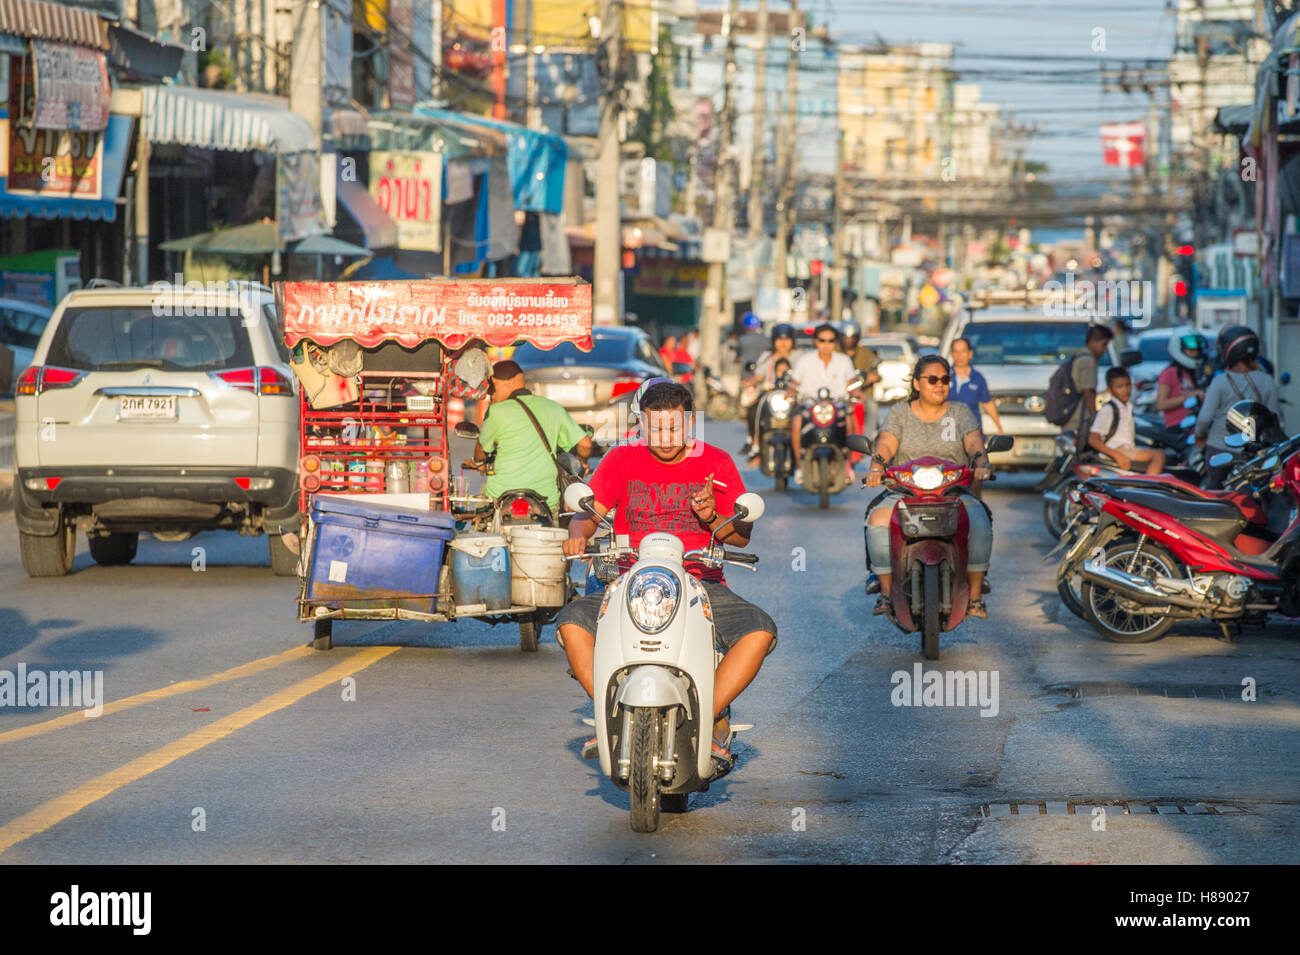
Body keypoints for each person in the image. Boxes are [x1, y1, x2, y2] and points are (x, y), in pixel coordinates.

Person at [557, 381, 777, 768]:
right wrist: (577, 536)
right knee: (571, 623)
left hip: (701, 580)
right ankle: (612, 712)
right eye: (655, 428)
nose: (664, 437)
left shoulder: (717, 463)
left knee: (759, 632)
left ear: (690, 421)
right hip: (629, 581)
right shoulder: (622, 459)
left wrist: (711, 516)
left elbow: (740, 537)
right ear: (642, 424)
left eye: (674, 427)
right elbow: (588, 514)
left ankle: (708, 712)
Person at [864, 355, 994, 619]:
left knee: (980, 519)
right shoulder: (900, 412)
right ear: (917, 383)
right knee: (877, 521)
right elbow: (887, 442)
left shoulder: (960, 411)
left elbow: (973, 442)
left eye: (945, 379)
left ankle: (976, 596)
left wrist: (982, 462)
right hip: (904, 491)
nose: (940, 385)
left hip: (951, 492)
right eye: (932, 379)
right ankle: (886, 592)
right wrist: (877, 466)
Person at [471, 360, 592, 517]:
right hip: (545, 498)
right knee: (553, 539)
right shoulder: (553, 408)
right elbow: (585, 443)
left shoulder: (495, 411)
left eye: (493, 387)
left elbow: (481, 449)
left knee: (482, 521)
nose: (490, 393)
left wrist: (479, 462)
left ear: (511, 383)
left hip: (501, 496)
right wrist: (582, 462)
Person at [1195, 326, 1284, 489]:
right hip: (1254, 453)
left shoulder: (1220, 381)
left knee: (1214, 493)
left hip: (1219, 448)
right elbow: (1275, 418)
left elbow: (1204, 418)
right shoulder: (1267, 381)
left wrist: (1199, 434)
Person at [788, 323, 862, 482]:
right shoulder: (805, 360)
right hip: (809, 405)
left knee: (849, 421)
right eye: (822, 340)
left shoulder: (843, 360)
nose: (826, 345)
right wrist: (789, 394)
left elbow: (852, 383)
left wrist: (856, 393)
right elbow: (793, 383)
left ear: (835, 342)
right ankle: (799, 467)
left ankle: (848, 465)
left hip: (837, 405)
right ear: (815, 341)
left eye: (830, 341)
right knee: (796, 421)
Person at [1088, 367, 1165, 474]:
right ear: (1109, 390)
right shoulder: (1108, 410)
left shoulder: (1127, 407)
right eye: (1119, 387)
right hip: (1117, 450)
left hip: (1126, 449)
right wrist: (1116, 455)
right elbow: (1093, 439)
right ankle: (1149, 488)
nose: (1125, 390)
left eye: (1128, 385)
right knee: (1158, 455)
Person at [740, 323, 797, 461]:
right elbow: (758, 376)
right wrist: (749, 383)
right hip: (770, 394)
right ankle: (755, 446)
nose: (783, 343)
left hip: (794, 395)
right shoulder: (767, 356)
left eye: (787, 339)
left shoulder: (799, 356)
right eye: (779, 339)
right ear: (774, 341)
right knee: (755, 409)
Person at [1063, 324, 1115, 441]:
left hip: (1070, 419)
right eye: (1104, 344)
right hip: (1079, 421)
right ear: (1093, 341)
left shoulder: (1079, 357)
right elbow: (1089, 393)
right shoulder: (1089, 362)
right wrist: (1095, 419)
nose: (1104, 350)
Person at [949, 337, 1004, 435]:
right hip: (949, 434)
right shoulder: (944, 377)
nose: (959, 356)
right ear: (952, 354)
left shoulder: (978, 378)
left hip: (973, 433)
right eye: (956, 352)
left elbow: (988, 403)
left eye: (963, 351)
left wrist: (999, 428)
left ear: (970, 353)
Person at [1155, 329, 1208, 428]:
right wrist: (1189, 396)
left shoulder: (1199, 372)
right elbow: (1161, 404)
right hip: (1177, 428)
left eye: (1197, 350)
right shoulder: (1169, 373)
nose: (1195, 353)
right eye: (1191, 350)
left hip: (1196, 427)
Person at [841, 321, 882, 445]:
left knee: (872, 408)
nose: (849, 341)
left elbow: (876, 373)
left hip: (862, 392)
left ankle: (866, 440)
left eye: (852, 337)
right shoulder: (836, 353)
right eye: (846, 337)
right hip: (840, 392)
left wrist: (872, 377)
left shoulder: (866, 353)